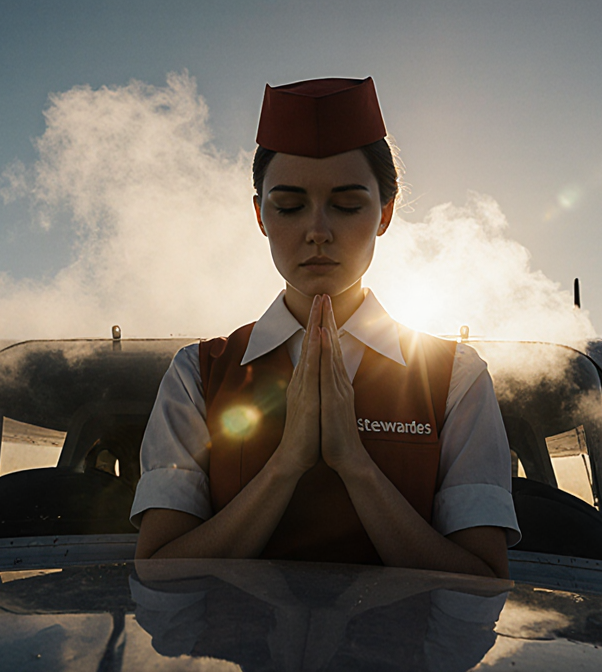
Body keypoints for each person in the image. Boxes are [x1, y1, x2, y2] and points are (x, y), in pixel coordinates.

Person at [130, 77, 519, 577]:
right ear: (259, 216)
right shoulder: (197, 374)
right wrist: (287, 463)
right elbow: (158, 568)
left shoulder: (455, 379)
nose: (318, 231)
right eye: (289, 206)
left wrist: (353, 463)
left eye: (347, 204)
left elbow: (485, 579)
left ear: (386, 211)